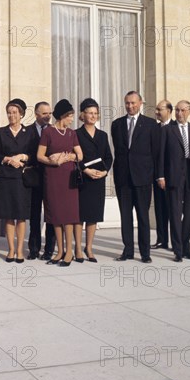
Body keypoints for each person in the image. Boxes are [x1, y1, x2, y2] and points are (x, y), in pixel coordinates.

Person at [111, 91, 159, 263]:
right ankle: (128, 251)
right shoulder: (116, 124)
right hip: (123, 179)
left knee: (143, 217)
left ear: (140, 103)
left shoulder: (151, 125)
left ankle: (145, 253)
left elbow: (156, 153)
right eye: (127, 103)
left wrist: (156, 176)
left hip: (143, 178)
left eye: (133, 103)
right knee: (125, 217)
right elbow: (119, 151)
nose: (130, 106)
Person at [157, 100, 190, 262]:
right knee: (175, 213)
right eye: (177, 110)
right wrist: (161, 176)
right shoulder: (167, 130)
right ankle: (178, 250)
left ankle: (186, 245)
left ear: (189, 111)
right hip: (173, 177)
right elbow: (161, 156)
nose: (179, 113)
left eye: (183, 110)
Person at [37, 99, 83, 267]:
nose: (72, 119)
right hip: (53, 176)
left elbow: (80, 155)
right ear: (63, 116)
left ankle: (69, 252)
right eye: (70, 116)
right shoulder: (48, 132)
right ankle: (60, 251)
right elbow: (39, 156)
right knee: (56, 215)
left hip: (69, 177)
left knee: (69, 215)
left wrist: (67, 157)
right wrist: (53, 161)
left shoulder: (72, 134)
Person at [0, 98, 35, 263]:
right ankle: (10, 250)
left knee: (21, 216)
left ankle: (19, 250)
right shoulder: (1, 132)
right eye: (9, 112)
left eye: (15, 112)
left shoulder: (29, 133)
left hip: (22, 179)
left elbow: (34, 154)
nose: (11, 115)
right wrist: (8, 159)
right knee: (8, 216)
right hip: (6, 178)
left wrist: (23, 156)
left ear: (22, 114)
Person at [74, 98, 113, 262]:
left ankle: (88, 247)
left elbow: (108, 157)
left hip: (98, 180)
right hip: (82, 180)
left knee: (93, 216)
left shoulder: (103, 135)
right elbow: (74, 157)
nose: (93, 116)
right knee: (79, 215)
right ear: (83, 114)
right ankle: (77, 248)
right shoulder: (76, 134)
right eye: (90, 113)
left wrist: (104, 173)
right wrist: (85, 169)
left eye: (96, 113)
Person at [28, 102, 55, 260]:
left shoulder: (54, 131)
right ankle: (33, 248)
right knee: (34, 215)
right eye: (44, 113)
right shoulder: (28, 131)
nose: (48, 116)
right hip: (34, 179)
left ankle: (49, 249)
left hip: (51, 177)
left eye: (49, 113)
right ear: (36, 114)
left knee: (50, 214)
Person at [152, 99, 176, 250]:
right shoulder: (153, 129)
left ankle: (176, 242)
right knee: (160, 209)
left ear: (169, 111)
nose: (156, 112)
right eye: (156, 109)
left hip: (173, 176)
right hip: (157, 175)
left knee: (174, 210)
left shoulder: (176, 128)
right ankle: (162, 240)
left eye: (159, 109)